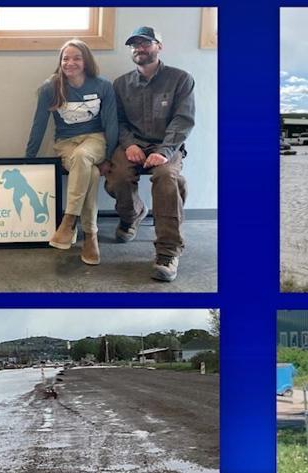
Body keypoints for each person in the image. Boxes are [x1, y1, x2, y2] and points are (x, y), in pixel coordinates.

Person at [104, 26, 195, 282]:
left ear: (159, 46)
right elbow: (117, 122)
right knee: (118, 176)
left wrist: (165, 151)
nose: (139, 49)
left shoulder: (181, 79)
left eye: (145, 43)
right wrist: (130, 144)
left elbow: (183, 120)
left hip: (167, 145)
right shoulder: (120, 84)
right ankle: (133, 214)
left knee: (167, 178)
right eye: (134, 45)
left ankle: (168, 253)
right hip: (132, 144)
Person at [25, 39, 118, 265]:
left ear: (86, 61)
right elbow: (39, 124)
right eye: (66, 58)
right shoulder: (50, 87)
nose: (70, 63)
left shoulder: (102, 86)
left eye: (76, 57)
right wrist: (28, 159)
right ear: (60, 62)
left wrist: (109, 158)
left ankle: (68, 221)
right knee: (91, 174)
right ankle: (91, 236)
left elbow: (112, 124)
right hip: (65, 143)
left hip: (95, 140)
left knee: (83, 156)